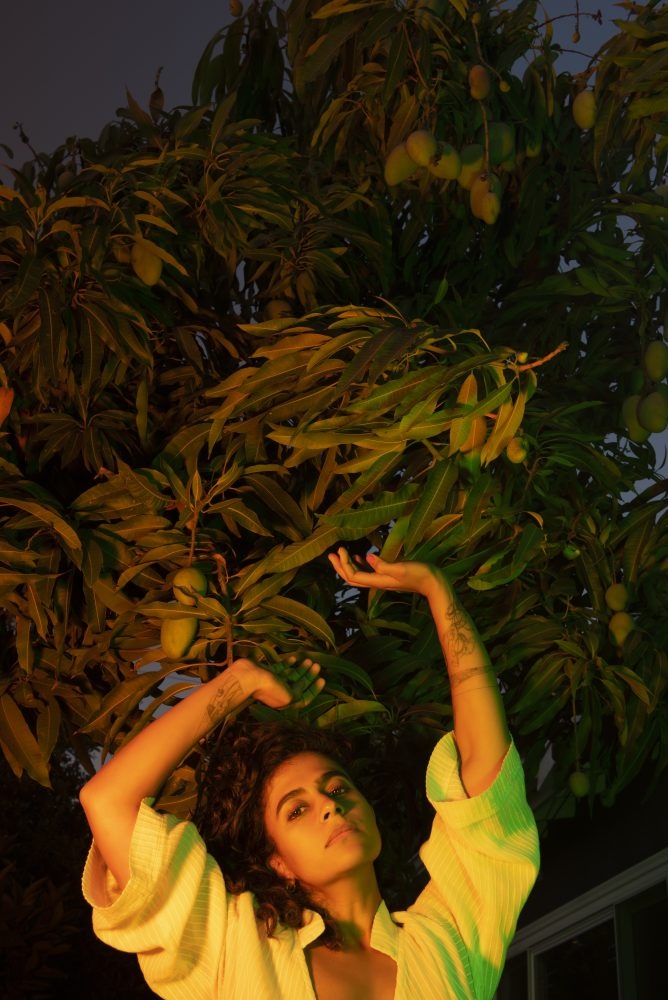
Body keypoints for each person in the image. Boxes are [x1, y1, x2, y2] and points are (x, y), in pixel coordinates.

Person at [80, 549, 540, 999]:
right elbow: (108, 801)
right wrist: (239, 682)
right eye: (297, 809)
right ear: (278, 861)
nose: (329, 805)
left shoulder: (448, 946)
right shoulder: (233, 945)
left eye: (337, 787)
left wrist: (440, 594)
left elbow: (485, 779)